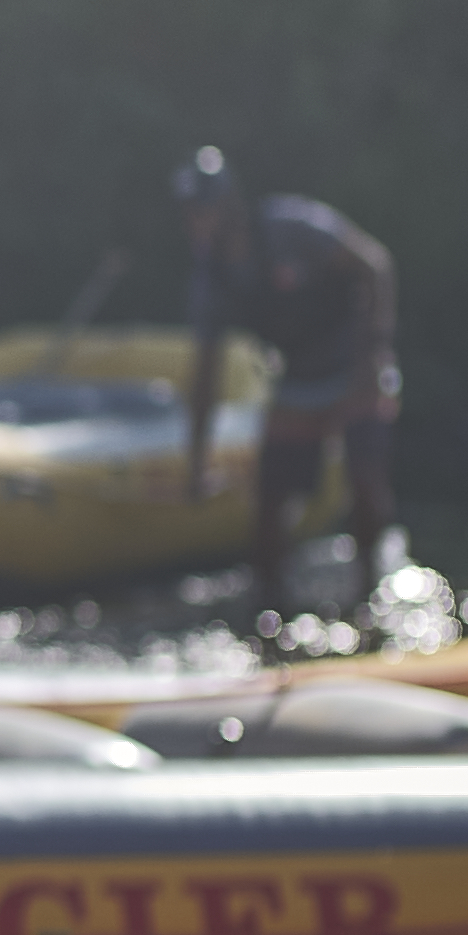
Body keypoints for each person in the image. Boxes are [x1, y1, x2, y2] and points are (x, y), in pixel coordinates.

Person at [175, 146, 404, 609]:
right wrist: (197, 464)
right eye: (189, 214)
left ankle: (372, 595)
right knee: (270, 500)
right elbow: (206, 376)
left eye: (203, 210)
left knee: (365, 479)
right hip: (297, 377)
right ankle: (271, 614)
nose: (195, 222)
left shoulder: (292, 227)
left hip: (353, 362)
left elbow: (375, 266)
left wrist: (373, 352)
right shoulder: (212, 277)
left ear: (227, 205)